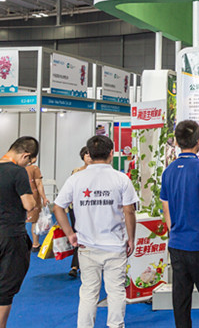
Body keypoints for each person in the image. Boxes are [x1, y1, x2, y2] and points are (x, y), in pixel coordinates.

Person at [52, 135, 139, 328]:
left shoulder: (76, 179)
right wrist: (131, 238)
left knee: (88, 292)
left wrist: (70, 233)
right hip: (115, 245)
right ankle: (116, 325)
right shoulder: (121, 179)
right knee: (116, 291)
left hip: (86, 245)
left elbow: (58, 207)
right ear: (111, 153)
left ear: (89, 154)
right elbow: (129, 211)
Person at [160, 120, 199, 328]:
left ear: (177, 142)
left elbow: (166, 209)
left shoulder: (168, 172)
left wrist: (175, 232)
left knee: (181, 302)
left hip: (177, 244)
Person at [0, 136, 38, 328]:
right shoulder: (17, 172)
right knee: (5, 290)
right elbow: (29, 204)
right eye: (29, 162)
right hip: (10, 235)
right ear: (25, 155)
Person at [68, 147, 91, 278]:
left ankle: (76, 265)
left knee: (86, 235)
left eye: (91, 155)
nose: (89, 157)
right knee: (78, 234)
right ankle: (77, 265)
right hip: (75, 207)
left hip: (90, 208)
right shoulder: (76, 171)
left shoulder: (96, 173)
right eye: (86, 155)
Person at [25, 153, 49, 250]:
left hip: (19, 197)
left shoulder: (18, 168)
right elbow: (39, 184)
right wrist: (44, 197)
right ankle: (35, 244)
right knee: (35, 221)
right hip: (33, 197)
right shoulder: (34, 168)